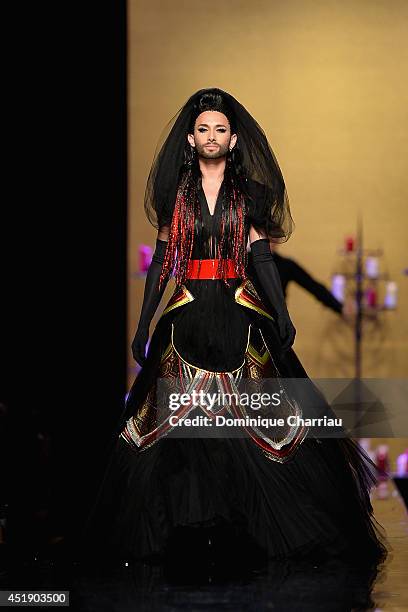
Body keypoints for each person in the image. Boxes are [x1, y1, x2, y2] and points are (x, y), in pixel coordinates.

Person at [83, 88, 387, 569]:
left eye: (220, 129)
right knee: (167, 424)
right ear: (189, 137)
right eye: (203, 128)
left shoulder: (250, 197)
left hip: (238, 311)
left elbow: (261, 256)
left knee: (263, 418)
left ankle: (250, 530)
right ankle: (183, 527)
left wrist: (282, 316)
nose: (211, 136)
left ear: (234, 138)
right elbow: (162, 261)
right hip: (185, 314)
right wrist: (143, 323)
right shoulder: (175, 197)